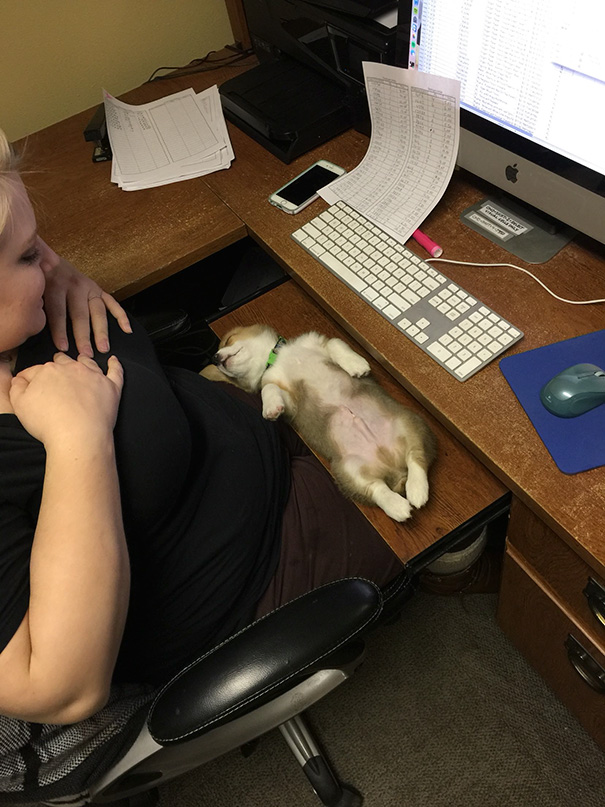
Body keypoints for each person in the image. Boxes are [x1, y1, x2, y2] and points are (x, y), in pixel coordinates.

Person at [0, 128, 403, 733]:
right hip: (266, 566)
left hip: (249, 421)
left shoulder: (24, 314)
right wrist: (77, 440)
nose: (55, 261)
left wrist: (54, 276)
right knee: (470, 455)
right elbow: (56, 691)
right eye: (31, 255)